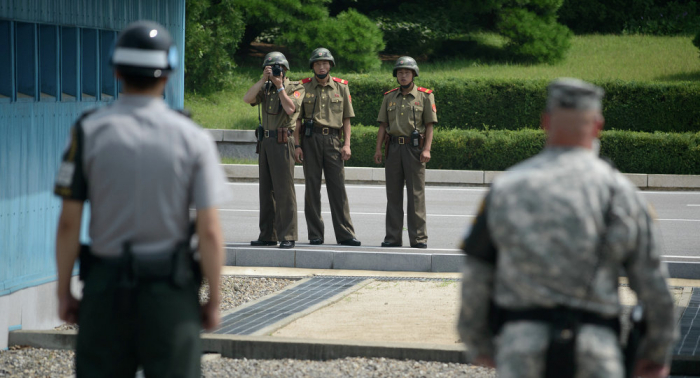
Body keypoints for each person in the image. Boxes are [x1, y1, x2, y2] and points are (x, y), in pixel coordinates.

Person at [457, 78, 677, 378]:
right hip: (596, 349)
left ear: (545, 122)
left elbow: (477, 273)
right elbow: (653, 283)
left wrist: (478, 343)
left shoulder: (507, 188)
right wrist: (656, 352)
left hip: (521, 347)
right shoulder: (621, 193)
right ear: (598, 125)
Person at [54, 21, 228, 377]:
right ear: (169, 73)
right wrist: (213, 298)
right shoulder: (193, 138)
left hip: (105, 290)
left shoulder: (88, 132)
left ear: (116, 71)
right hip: (170, 292)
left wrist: (63, 292)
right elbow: (209, 231)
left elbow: (69, 221)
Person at [293, 47, 361, 246]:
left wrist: (347, 144)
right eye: (317, 63)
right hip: (310, 140)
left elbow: (347, 119)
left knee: (338, 189)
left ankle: (345, 234)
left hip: (333, 140)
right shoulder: (303, 87)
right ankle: (315, 234)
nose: (321, 67)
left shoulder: (341, 87)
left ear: (330, 65)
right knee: (312, 188)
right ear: (312, 66)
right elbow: (297, 120)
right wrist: (297, 145)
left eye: (325, 63)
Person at [374, 56, 436, 249]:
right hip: (393, 148)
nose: (403, 76)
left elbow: (430, 125)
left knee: (416, 194)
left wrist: (427, 149)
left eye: (406, 73)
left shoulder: (425, 96)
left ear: (413, 74)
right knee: (393, 194)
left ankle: (418, 238)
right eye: (400, 73)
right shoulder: (389, 97)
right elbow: (383, 126)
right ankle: (392, 237)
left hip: (414, 149)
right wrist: (378, 150)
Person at [243, 52, 304, 249]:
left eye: (279, 68)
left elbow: (290, 109)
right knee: (266, 191)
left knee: (284, 191)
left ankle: (288, 235)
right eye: (271, 68)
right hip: (266, 142)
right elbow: (247, 98)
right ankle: (268, 234)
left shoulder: (295, 87)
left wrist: (280, 87)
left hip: (283, 140)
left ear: (285, 69)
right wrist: (263, 80)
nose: (276, 71)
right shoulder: (265, 87)